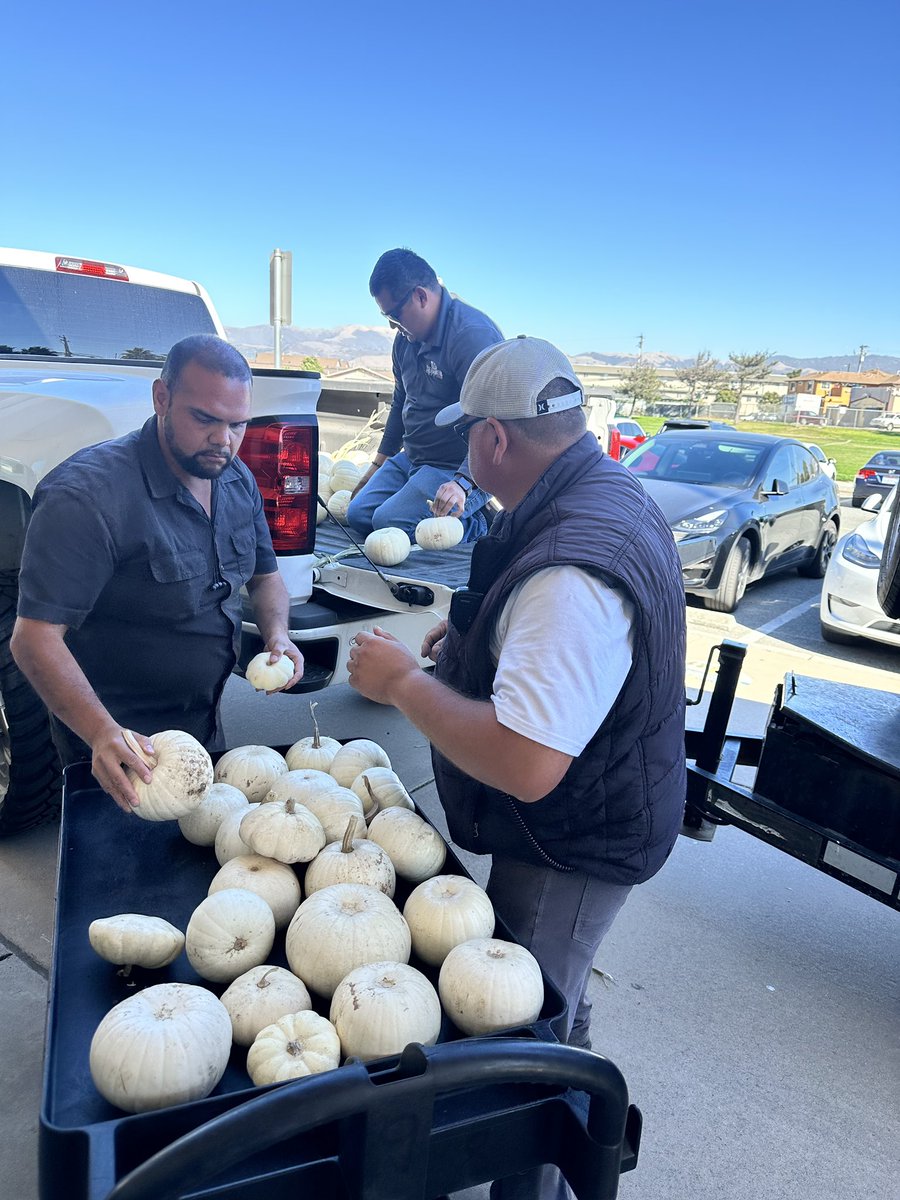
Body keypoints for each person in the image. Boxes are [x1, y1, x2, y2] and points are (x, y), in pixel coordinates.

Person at [346, 337, 686, 1198]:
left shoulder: (573, 565)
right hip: (597, 804)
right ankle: (559, 1062)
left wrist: (406, 686)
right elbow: (541, 645)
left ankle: (531, 1176)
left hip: (574, 837)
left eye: (469, 433)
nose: (464, 447)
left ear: (495, 439)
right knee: (546, 1000)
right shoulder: (591, 490)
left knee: (518, 1038)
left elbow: (528, 760)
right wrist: (474, 643)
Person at [11, 335, 304, 815]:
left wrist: (277, 635)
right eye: (205, 419)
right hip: (116, 742)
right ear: (161, 398)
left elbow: (266, 576)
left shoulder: (234, 477)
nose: (224, 440)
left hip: (202, 728)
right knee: (119, 874)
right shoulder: (87, 497)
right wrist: (103, 734)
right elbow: (34, 639)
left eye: (237, 424)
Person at [346, 248, 503, 541]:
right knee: (358, 514)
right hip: (414, 458)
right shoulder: (405, 341)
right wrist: (377, 465)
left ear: (420, 296)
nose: (392, 325)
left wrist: (464, 483)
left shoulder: (471, 336)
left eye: (394, 314)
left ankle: (481, 524)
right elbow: (400, 403)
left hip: (459, 468)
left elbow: (496, 419)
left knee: (386, 522)